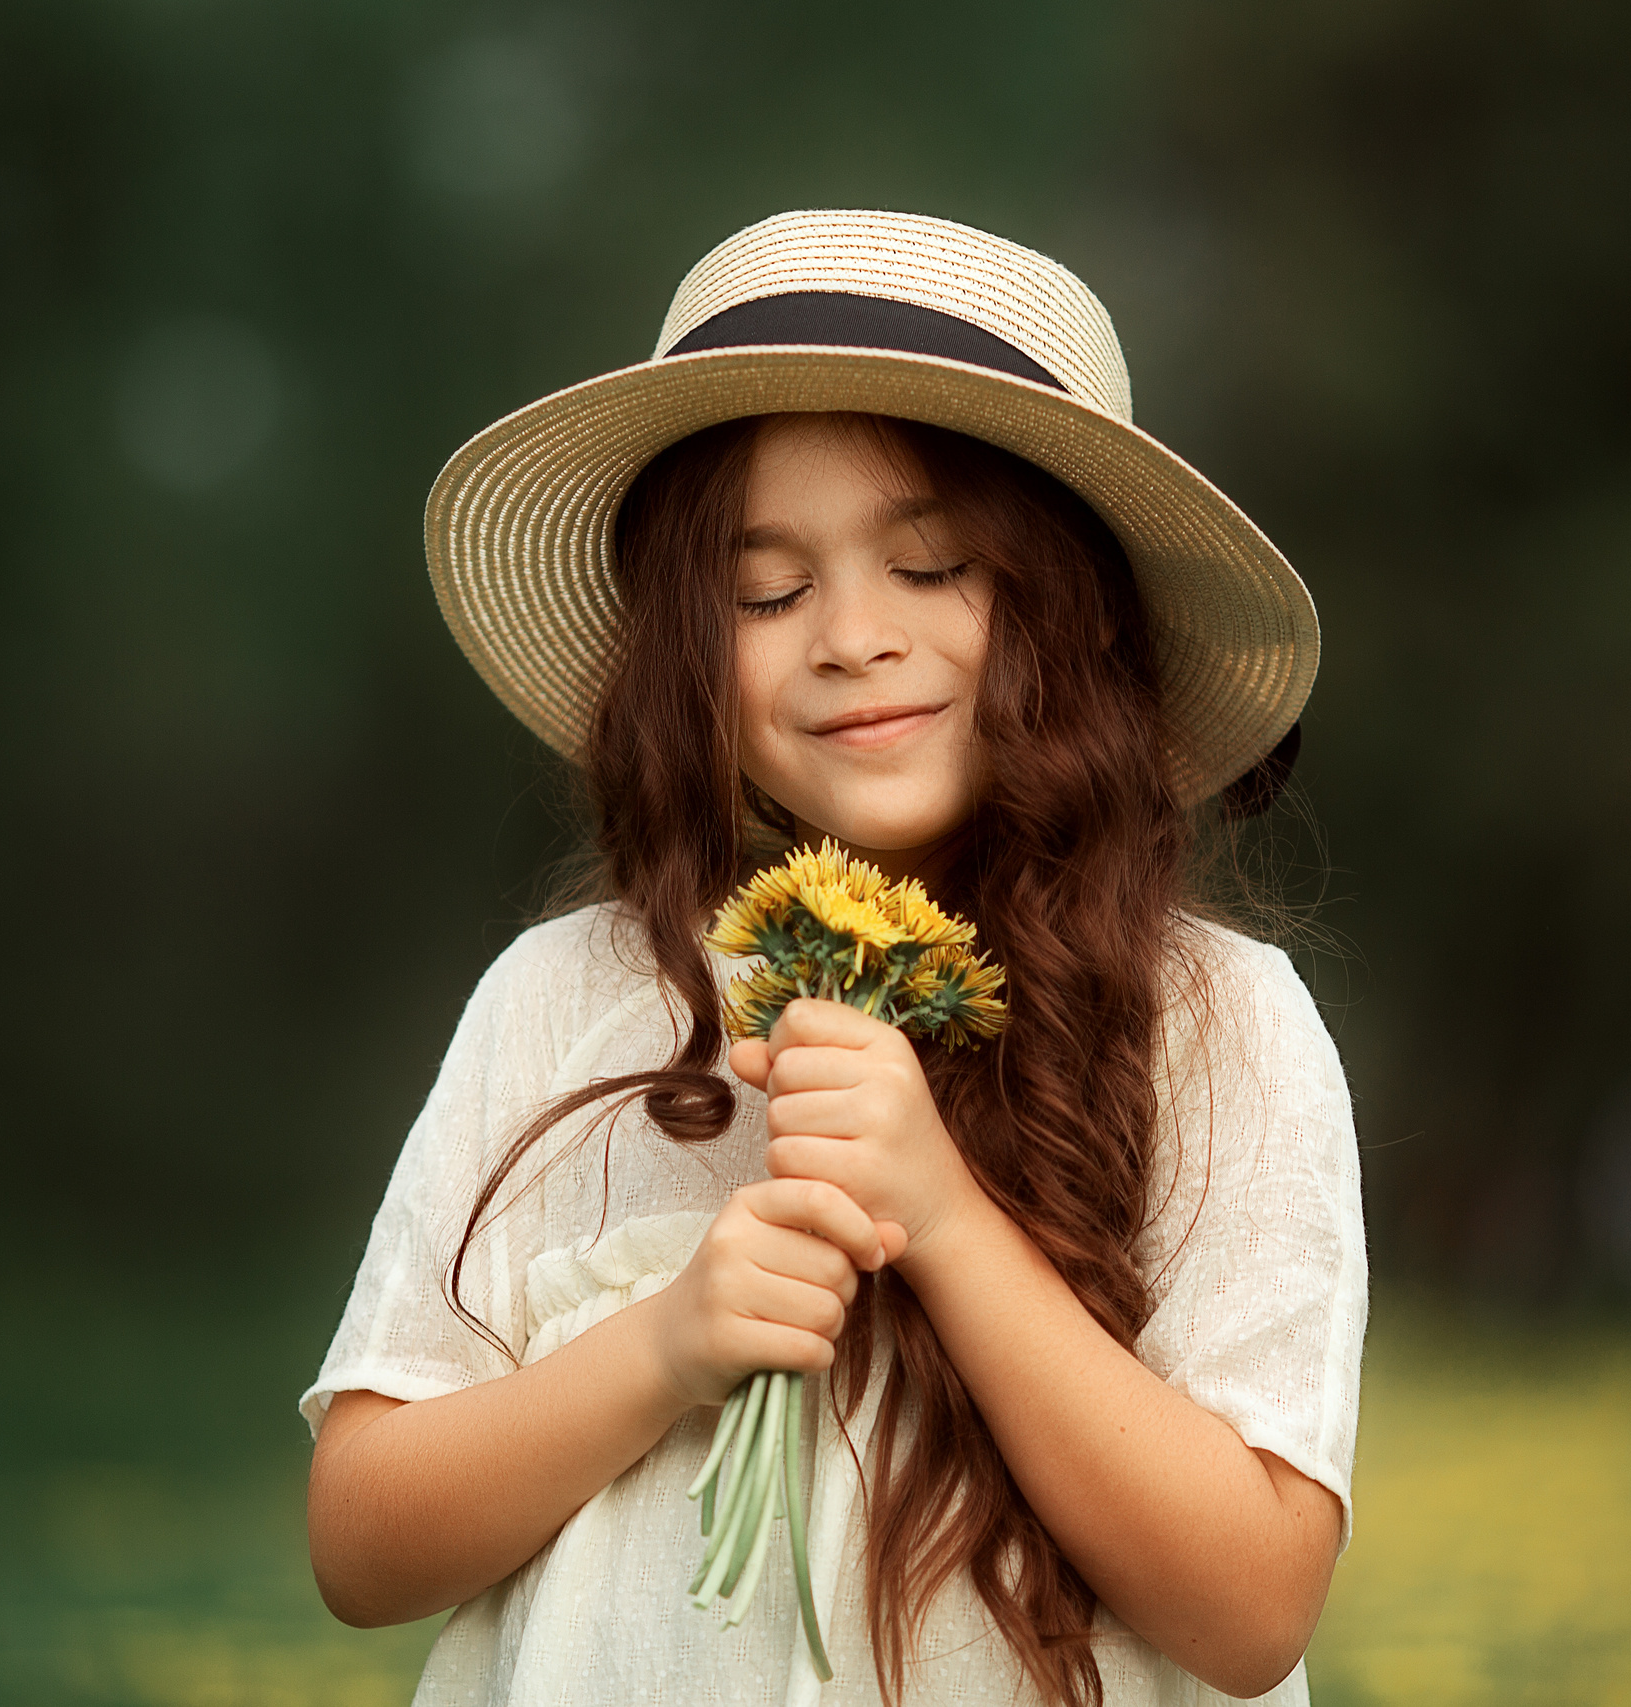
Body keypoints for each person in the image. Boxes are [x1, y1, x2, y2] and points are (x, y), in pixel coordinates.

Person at [301, 210, 1366, 1707]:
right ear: (687, 647)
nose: (853, 636)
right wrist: (669, 1345)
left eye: (934, 566)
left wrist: (941, 1211)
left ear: (1077, 617)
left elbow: (1253, 1608)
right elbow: (360, 1544)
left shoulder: (1217, 1026)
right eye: (767, 591)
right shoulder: (569, 998)